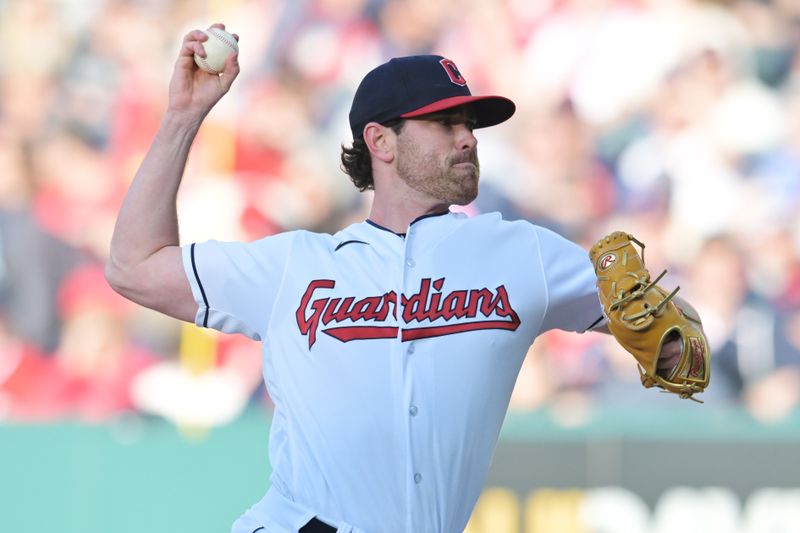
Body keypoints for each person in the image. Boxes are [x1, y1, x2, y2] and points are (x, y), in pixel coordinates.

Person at [106, 24, 689, 533]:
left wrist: (668, 337)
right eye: (443, 122)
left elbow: (682, 348)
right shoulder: (295, 267)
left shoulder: (523, 254)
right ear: (379, 140)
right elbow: (134, 266)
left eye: (469, 123)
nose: (467, 137)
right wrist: (184, 117)